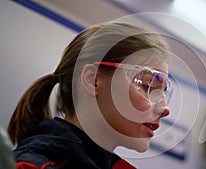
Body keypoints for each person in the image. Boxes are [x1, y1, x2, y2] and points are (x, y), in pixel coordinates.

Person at [7, 22, 172, 169]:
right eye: (148, 86)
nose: (165, 109)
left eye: (163, 91)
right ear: (93, 80)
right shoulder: (28, 166)